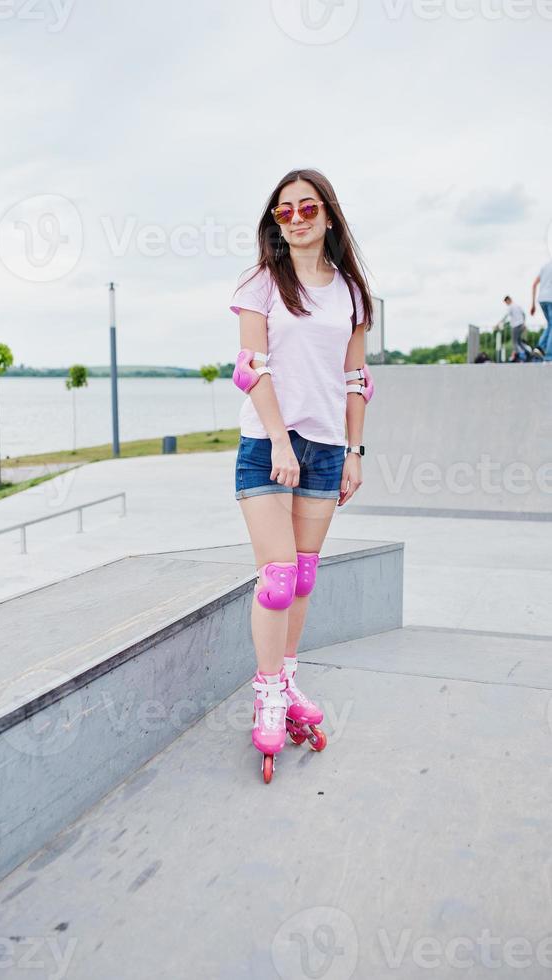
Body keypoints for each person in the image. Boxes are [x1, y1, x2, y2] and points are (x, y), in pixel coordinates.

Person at [229, 167, 374, 781]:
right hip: (268, 447)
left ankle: (287, 681)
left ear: (329, 216)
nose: (295, 218)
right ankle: (265, 694)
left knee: (306, 578)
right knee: (278, 579)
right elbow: (249, 368)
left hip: (326, 449)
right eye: (283, 211)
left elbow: (357, 379)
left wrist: (354, 451)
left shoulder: (352, 294)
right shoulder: (262, 282)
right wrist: (282, 441)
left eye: (306, 207)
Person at [530, 258, 552, 361]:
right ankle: (549, 356)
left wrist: (533, 304)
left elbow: (534, 284)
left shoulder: (545, 266)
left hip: (542, 299)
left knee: (550, 325)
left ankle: (539, 348)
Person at [497, 296, 530, 362]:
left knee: (514, 342)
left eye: (506, 302)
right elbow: (524, 314)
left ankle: (519, 355)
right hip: (521, 325)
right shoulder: (518, 306)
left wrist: (499, 323)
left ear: (508, 300)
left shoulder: (511, 307)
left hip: (515, 326)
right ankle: (528, 353)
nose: (506, 304)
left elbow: (505, 316)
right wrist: (524, 323)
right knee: (519, 341)